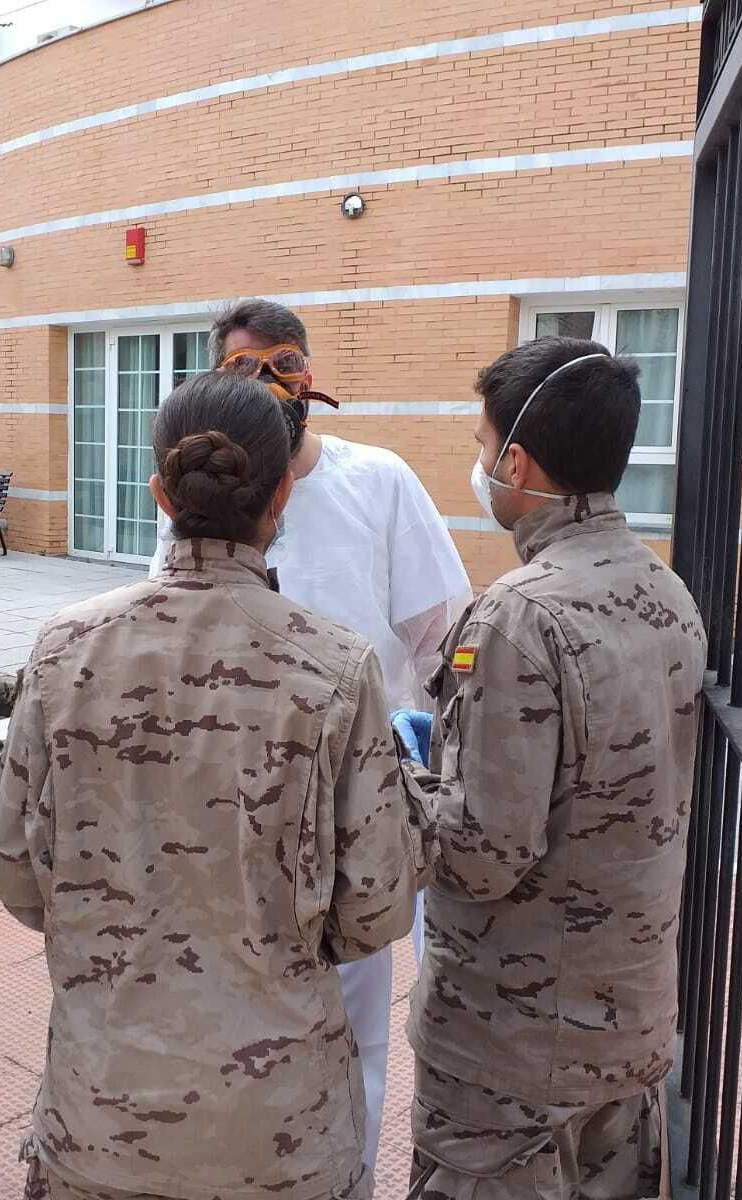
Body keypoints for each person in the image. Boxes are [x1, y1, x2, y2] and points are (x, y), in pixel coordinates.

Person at [0, 370, 431, 1200]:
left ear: (161, 491)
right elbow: (377, 910)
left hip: (101, 1118)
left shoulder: (62, 651)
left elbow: (14, 871)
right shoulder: (337, 667)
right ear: (281, 500)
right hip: (280, 1135)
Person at [149, 299, 471, 1170]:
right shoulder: (199, 503)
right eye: (244, 368)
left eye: (284, 361)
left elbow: (444, 642)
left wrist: (433, 764)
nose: (270, 382)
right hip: (218, 810)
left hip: (350, 810)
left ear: (313, 373)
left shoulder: (380, 480)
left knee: (355, 1034)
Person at [399, 336, 706, 1199]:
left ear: (517, 461)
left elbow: (481, 853)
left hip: (510, 1052)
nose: (479, 466)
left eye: (480, 445)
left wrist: (401, 770)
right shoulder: (664, 590)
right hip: (628, 1025)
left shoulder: (515, 619)